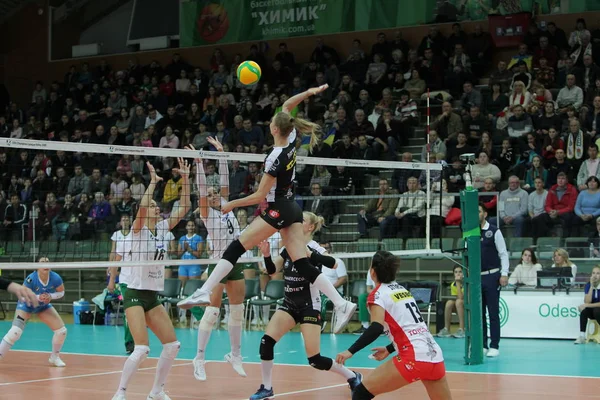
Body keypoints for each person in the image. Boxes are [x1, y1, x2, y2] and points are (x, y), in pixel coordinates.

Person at [178, 84, 357, 334]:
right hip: (292, 206)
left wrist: (230, 204)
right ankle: (341, 302)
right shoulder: (291, 141)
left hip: (279, 209)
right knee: (302, 262)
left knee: (236, 246)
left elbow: (260, 195)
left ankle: (204, 291)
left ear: (274, 129)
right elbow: (286, 107)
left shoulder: (274, 156)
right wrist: (308, 93)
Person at [250, 212, 362, 400]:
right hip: (289, 303)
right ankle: (266, 388)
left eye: (301, 221)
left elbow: (333, 264)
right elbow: (271, 270)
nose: (296, 223)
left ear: (310, 227)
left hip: (310, 306)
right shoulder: (289, 247)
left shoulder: (314, 247)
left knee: (315, 360)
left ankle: (352, 376)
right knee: (266, 342)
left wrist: (312, 254)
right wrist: (267, 255)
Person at [110, 158, 190, 400]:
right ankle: (120, 391)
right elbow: (142, 208)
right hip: (133, 292)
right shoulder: (137, 231)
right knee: (142, 348)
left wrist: (185, 179)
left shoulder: (163, 229)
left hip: (152, 295)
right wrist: (153, 184)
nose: (156, 207)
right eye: (152, 205)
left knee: (173, 345)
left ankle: (156, 391)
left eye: (157, 206)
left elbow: (184, 207)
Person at [336, 251, 452, 400]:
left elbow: (376, 327)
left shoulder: (377, 295)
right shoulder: (402, 290)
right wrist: (390, 348)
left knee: (360, 393)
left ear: (372, 272)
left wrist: (350, 351)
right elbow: (413, 327)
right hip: (435, 357)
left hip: (413, 357)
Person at [189, 137, 247, 381]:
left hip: (237, 261)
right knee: (212, 311)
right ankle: (199, 358)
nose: (214, 196)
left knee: (237, 310)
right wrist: (199, 163)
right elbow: (202, 189)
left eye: (215, 194)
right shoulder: (207, 214)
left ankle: (235, 355)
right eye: (210, 195)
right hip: (219, 262)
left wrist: (222, 152)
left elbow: (224, 180)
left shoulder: (226, 205)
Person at [0, 256, 67, 367]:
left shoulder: (55, 277)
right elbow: (22, 294)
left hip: (42, 306)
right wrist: (38, 297)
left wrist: (50, 296)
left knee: (62, 331)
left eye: (47, 262)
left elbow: (61, 293)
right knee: (15, 331)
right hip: (26, 305)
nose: (46, 264)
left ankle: (54, 358)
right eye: (42, 262)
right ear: (36, 266)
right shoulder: (31, 279)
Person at [478, 204, 509, 358]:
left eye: (479, 211)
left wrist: (504, 274)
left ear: (485, 214)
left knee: (493, 312)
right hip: (477, 276)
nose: (476, 214)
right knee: (480, 313)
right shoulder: (470, 233)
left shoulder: (494, 231)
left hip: (492, 276)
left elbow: (503, 253)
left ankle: (494, 345)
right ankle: (482, 344)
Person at [109, 214, 134, 354]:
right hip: (126, 280)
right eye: (123, 219)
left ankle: (140, 341)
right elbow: (114, 256)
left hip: (141, 281)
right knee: (129, 312)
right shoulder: (121, 239)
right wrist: (112, 279)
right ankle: (129, 343)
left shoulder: (142, 238)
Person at [437, 265, 464, 338]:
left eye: (460, 272)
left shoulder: (468, 283)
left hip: (470, 306)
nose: (458, 274)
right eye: (456, 272)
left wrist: (458, 283)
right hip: (461, 306)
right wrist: (457, 283)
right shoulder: (453, 285)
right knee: (449, 302)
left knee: (458, 302)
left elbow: (462, 298)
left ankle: (462, 329)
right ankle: (446, 329)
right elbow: (458, 297)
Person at [574, 266, 600, 344]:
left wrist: (586, 305)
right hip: (594, 311)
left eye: (598, 273)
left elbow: (588, 304)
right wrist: (592, 286)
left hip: (598, 311)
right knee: (584, 312)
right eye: (593, 273)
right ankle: (582, 336)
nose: (595, 275)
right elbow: (587, 301)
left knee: (596, 310)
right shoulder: (588, 285)